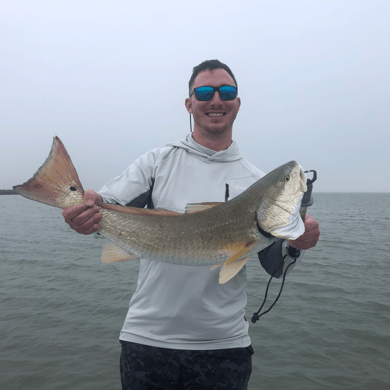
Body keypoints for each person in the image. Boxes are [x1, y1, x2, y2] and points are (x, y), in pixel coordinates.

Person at [62, 60, 320, 390]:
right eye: (204, 92)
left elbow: (273, 266)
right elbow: (102, 210)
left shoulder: (257, 181)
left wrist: (296, 245)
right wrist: (81, 214)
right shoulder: (156, 163)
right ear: (189, 103)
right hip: (147, 341)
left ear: (237, 103)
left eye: (227, 92)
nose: (216, 100)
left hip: (225, 347)